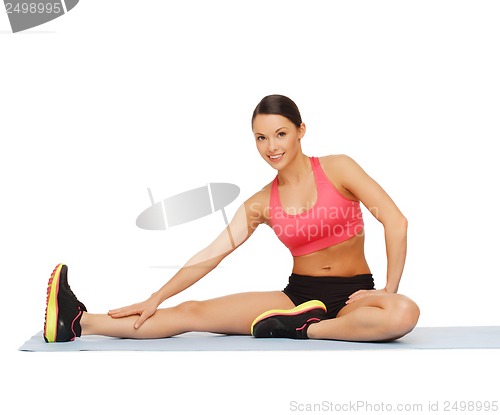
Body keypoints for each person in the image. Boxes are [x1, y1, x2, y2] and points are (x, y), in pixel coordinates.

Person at [43, 94, 419, 343]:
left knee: (403, 312)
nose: (271, 147)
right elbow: (213, 252)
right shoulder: (261, 203)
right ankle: (78, 322)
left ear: (301, 131)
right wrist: (156, 296)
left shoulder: (339, 168)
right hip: (298, 298)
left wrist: (387, 290)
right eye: (260, 138)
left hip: (354, 295)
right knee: (190, 313)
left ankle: (308, 330)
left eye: (280, 134)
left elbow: (395, 221)